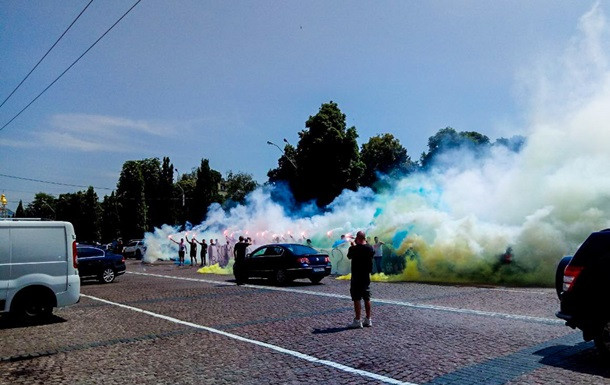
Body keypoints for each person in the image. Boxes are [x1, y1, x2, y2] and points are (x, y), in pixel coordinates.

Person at [347, 230, 374, 328]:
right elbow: (369, 251)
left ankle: (358, 320)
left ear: (357, 238)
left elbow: (349, 256)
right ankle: (368, 319)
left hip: (356, 276)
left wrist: (353, 246)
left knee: (357, 298)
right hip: (366, 276)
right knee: (367, 297)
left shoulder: (354, 248)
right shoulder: (370, 248)